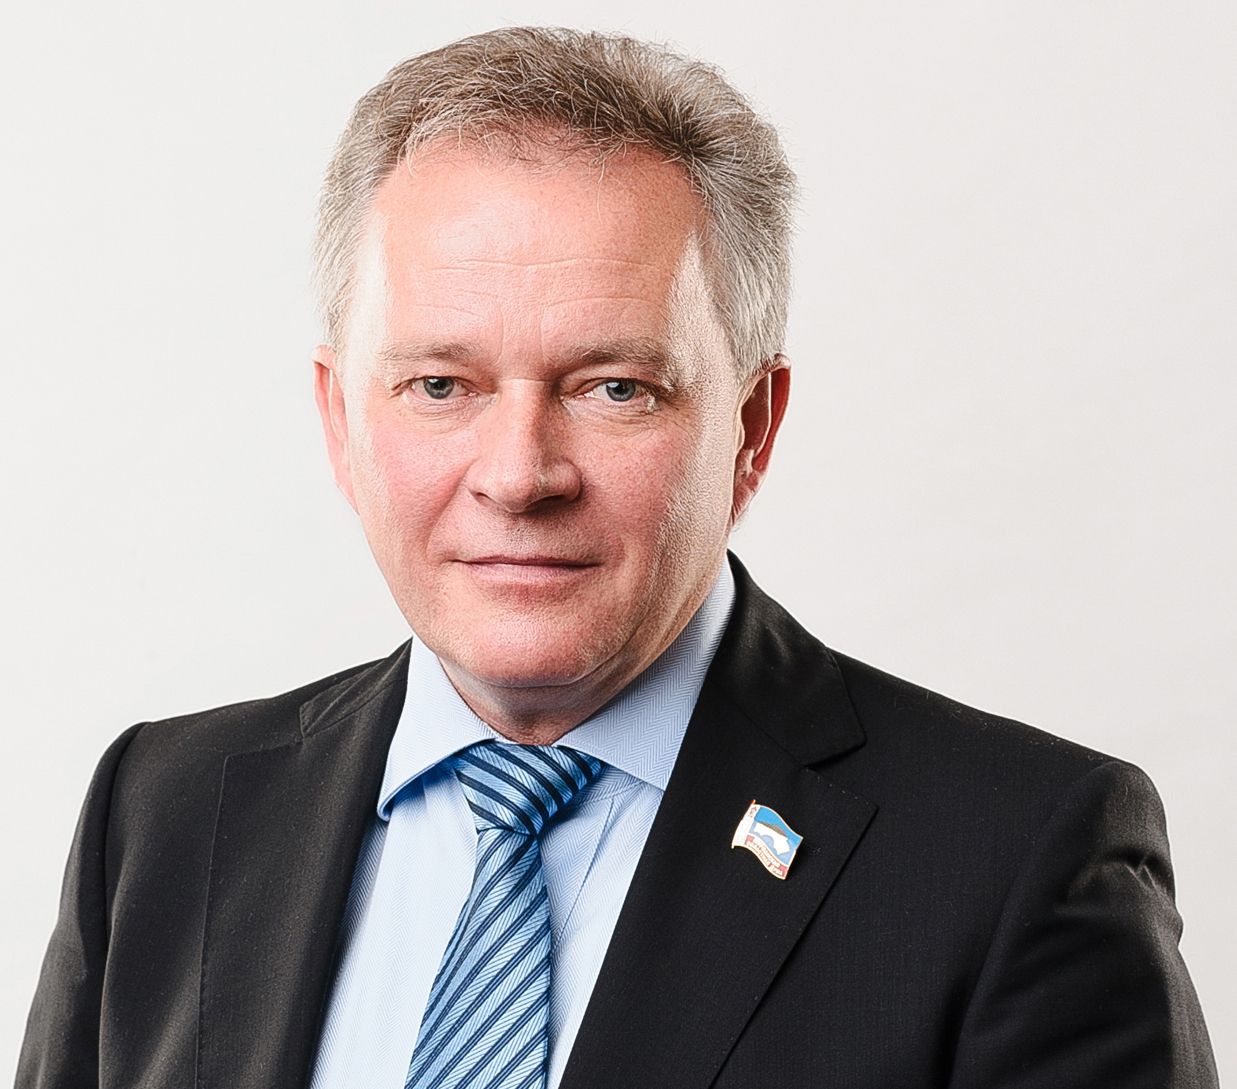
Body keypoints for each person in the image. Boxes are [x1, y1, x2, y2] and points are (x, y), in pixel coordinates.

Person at [17, 26, 1217, 1089]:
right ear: (340, 420)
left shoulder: (1013, 862)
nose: (518, 474)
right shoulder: (164, 815)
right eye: (439, 385)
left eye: (614, 387)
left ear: (750, 426)